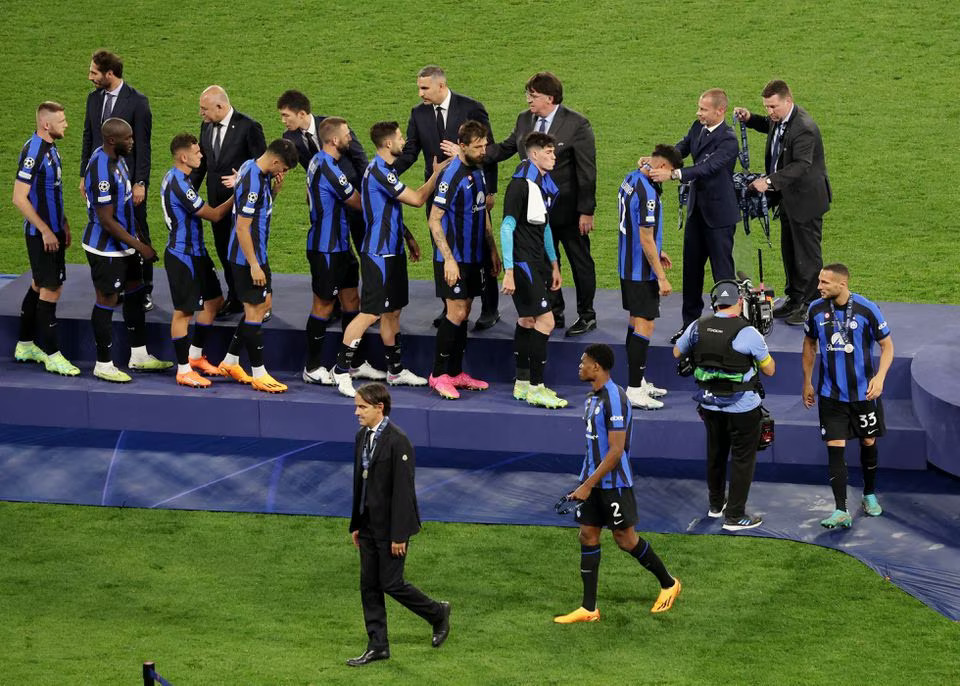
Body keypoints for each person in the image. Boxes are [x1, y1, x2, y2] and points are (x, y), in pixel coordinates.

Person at [554, 343, 681, 623]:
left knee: (625, 539)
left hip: (614, 484)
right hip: (592, 481)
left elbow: (615, 451)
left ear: (596, 366)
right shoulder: (592, 398)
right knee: (587, 535)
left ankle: (669, 583)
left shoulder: (615, 399)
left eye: (583, 361)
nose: (580, 366)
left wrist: (588, 485)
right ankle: (589, 609)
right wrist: (585, 481)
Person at [330, 122, 448, 397]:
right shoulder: (381, 172)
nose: (404, 141)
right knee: (370, 312)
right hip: (378, 255)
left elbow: (388, 209)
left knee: (393, 311)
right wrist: (436, 174)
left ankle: (395, 371)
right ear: (387, 144)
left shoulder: (386, 172)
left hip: (392, 251)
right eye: (399, 137)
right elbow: (418, 199)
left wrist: (407, 237)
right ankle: (341, 370)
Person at [486, 71, 597, 336]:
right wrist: (473, 153)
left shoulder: (577, 124)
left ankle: (587, 314)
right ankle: (554, 310)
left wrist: (586, 211)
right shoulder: (525, 120)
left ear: (550, 97)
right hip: (535, 214)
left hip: (569, 212)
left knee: (579, 261)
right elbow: (504, 148)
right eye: (528, 95)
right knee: (547, 261)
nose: (528, 101)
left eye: (533, 96)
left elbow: (587, 171)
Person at [347, 382, 450, 666]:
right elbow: (361, 483)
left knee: (391, 583)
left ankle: (437, 613)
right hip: (367, 525)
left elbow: (404, 491)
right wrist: (357, 523)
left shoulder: (398, 441)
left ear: (379, 408)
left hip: (391, 528)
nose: (357, 412)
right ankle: (377, 644)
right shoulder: (362, 436)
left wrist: (399, 534)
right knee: (369, 585)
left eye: (362, 407)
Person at [393, 65, 502, 331]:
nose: (420, 94)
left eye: (424, 88)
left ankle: (489, 308)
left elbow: (488, 149)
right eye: (419, 88)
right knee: (441, 246)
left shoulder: (471, 108)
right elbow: (410, 152)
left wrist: (490, 190)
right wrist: (386, 174)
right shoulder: (418, 114)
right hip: (438, 192)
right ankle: (450, 305)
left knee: (479, 246)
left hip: (471, 191)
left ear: (441, 86)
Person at [673, 280, 775, 531]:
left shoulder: (697, 326)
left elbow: (677, 353)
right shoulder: (749, 333)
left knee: (715, 454)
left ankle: (716, 506)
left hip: (709, 405)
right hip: (743, 407)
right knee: (742, 459)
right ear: (739, 302)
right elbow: (770, 369)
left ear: (715, 302)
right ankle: (735, 516)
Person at [802, 264, 893, 528]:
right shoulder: (815, 309)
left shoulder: (866, 309)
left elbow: (887, 346)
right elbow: (809, 344)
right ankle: (840, 509)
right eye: (819, 281)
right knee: (835, 447)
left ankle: (869, 495)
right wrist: (807, 382)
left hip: (864, 393)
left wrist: (880, 378)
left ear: (842, 284)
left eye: (825, 283)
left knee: (867, 441)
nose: (819, 286)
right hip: (831, 394)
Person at [734, 80, 831, 326]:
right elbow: (770, 126)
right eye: (766, 107)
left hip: (805, 200)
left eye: (773, 107)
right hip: (789, 198)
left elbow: (801, 164)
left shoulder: (804, 128)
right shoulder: (783, 120)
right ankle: (794, 298)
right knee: (790, 250)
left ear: (788, 101)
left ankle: (810, 304)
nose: (770, 112)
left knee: (807, 254)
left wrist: (768, 182)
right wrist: (750, 119)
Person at [646, 89, 740, 342]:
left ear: (719, 111)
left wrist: (673, 175)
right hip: (697, 213)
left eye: (703, 109)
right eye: (699, 108)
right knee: (691, 272)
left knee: (723, 273)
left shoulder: (729, 140)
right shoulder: (697, 127)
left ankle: (729, 330)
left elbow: (708, 167)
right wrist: (657, 161)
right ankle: (690, 326)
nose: (698, 113)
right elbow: (681, 149)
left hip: (720, 216)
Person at [82, 118, 171, 382]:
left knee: (135, 291)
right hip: (106, 249)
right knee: (107, 300)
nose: (133, 142)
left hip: (126, 244)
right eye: (128, 138)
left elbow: (125, 205)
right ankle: (103, 363)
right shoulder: (100, 170)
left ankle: (139, 355)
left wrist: (138, 237)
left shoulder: (118, 158)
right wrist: (140, 247)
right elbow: (107, 220)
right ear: (112, 140)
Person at [215, 139, 299, 393]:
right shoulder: (252, 178)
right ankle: (259, 373)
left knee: (263, 306)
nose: (281, 173)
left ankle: (230, 361)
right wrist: (253, 265)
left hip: (257, 254)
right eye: (282, 168)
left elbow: (257, 208)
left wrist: (275, 192)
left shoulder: (253, 168)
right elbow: (242, 226)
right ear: (275, 161)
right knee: (254, 312)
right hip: (246, 258)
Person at [426, 120, 500, 399]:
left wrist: (492, 250)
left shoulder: (478, 171)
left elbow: (482, 213)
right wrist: (449, 260)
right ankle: (437, 374)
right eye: (478, 147)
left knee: (465, 312)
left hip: (475, 257)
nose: (484, 151)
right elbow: (435, 220)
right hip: (453, 258)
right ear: (463, 146)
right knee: (455, 312)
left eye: (485, 146)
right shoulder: (452, 175)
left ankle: (456, 373)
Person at [80, 50, 155, 310]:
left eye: (94, 72)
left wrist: (140, 182)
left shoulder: (137, 102)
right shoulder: (93, 99)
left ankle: (144, 289)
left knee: (137, 229)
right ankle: (118, 283)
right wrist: (82, 175)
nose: (90, 77)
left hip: (128, 181)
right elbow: (88, 137)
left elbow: (143, 146)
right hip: (100, 178)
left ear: (109, 73)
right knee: (107, 225)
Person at [160, 133, 234, 388]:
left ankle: (194, 357)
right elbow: (213, 215)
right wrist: (239, 195)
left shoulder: (182, 179)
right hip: (183, 256)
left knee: (214, 302)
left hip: (197, 252)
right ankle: (183, 370)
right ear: (183, 157)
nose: (201, 155)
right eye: (197, 152)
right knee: (184, 312)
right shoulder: (178, 183)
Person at [12, 101, 80, 376]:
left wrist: (62, 223)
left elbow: (52, 193)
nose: (66, 125)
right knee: (52, 290)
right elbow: (19, 198)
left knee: (40, 284)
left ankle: (25, 345)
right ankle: (52, 354)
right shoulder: (34, 152)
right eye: (61, 121)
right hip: (42, 236)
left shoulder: (52, 149)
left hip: (52, 232)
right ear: (46, 124)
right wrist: (45, 230)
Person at [500, 132, 566, 409]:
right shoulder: (521, 186)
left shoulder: (541, 184)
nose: (553, 157)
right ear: (534, 154)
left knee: (527, 320)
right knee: (546, 321)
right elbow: (507, 226)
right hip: (523, 262)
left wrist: (554, 263)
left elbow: (545, 227)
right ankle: (537, 387)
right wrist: (509, 270)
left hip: (537, 261)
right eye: (549, 152)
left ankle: (522, 383)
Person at [189, 85, 266, 319]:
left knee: (249, 251)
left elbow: (262, 165)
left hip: (244, 204)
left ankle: (260, 300)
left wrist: (241, 178)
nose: (201, 114)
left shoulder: (249, 127)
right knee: (225, 250)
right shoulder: (206, 126)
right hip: (216, 204)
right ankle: (235, 296)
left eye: (205, 109)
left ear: (220, 106)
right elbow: (203, 164)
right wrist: (187, 187)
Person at [300, 117, 366, 385]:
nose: (351, 137)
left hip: (340, 246)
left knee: (351, 300)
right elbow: (357, 202)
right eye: (347, 134)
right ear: (335, 140)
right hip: (325, 249)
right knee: (324, 305)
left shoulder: (318, 161)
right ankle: (312, 366)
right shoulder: (329, 168)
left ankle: (352, 364)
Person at [618, 144, 684, 410]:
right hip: (640, 269)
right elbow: (645, 237)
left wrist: (659, 249)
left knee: (635, 322)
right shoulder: (649, 193)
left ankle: (638, 381)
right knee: (645, 325)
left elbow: (635, 227)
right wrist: (661, 276)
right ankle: (634, 389)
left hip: (628, 263)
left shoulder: (632, 178)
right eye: (670, 173)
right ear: (664, 168)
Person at [277, 89, 369, 259]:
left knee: (363, 243)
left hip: (353, 193)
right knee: (336, 248)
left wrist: (369, 191)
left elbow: (360, 159)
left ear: (302, 114)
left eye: (286, 115)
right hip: (327, 201)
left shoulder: (333, 128)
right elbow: (288, 163)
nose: (283, 121)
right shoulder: (290, 137)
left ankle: (372, 282)